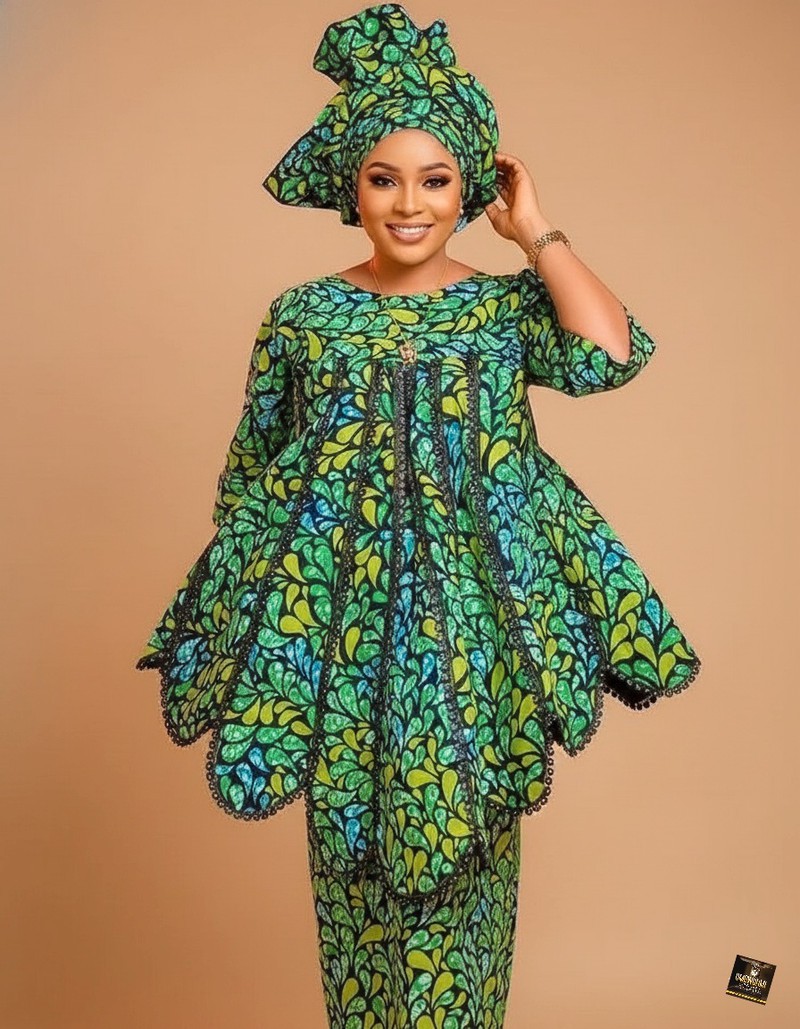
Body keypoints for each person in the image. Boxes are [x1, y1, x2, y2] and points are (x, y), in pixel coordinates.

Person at [135, 5, 701, 1026]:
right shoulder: (302, 316)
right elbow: (253, 479)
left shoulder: (501, 309)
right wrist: (253, 636)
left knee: (461, 915)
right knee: (355, 911)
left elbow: (609, 355)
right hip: (338, 654)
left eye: (436, 180)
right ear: (350, 189)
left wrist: (534, 232)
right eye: (383, 178)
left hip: (473, 646)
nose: (408, 204)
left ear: (469, 188)